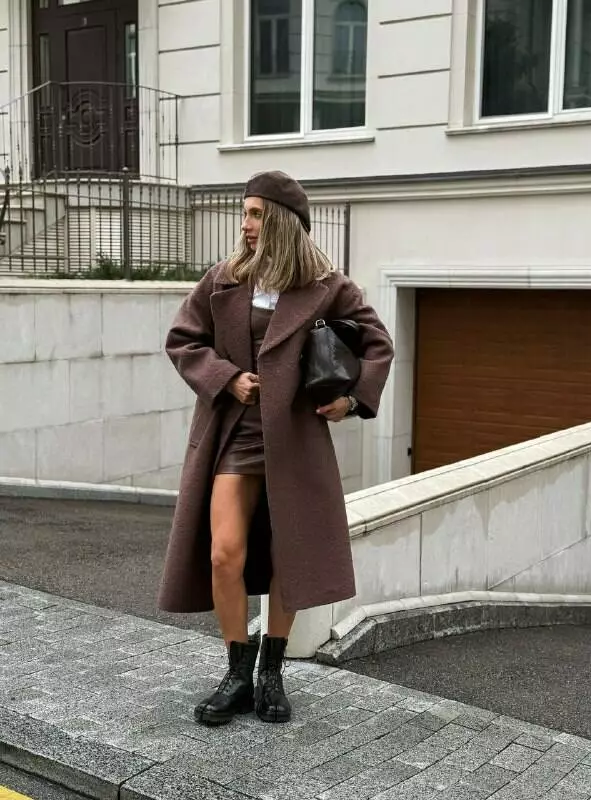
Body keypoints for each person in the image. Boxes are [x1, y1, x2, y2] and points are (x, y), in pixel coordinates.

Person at [158, 170, 394, 727]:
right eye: (244, 212)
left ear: (284, 222)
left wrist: (351, 400)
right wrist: (226, 378)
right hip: (233, 435)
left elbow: (377, 343)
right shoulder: (222, 279)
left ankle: (271, 672)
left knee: (290, 554)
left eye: (257, 214)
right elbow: (183, 340)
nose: (246, 224)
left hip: (295, 439)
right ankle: (236, 672)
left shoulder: (327, 286)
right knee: (224, 553)